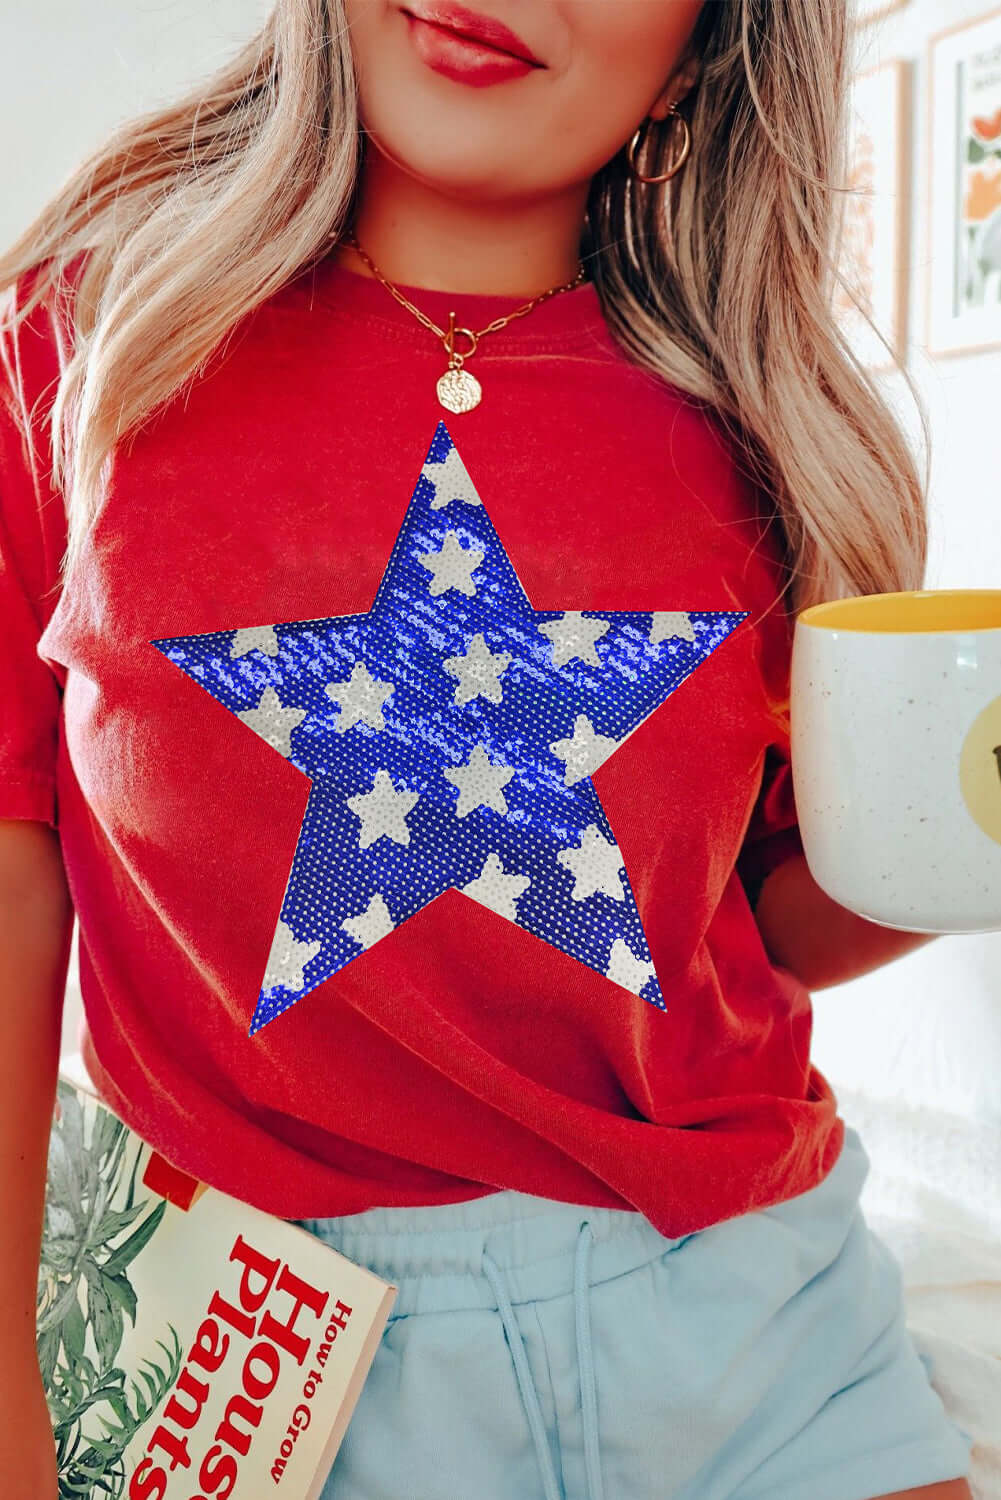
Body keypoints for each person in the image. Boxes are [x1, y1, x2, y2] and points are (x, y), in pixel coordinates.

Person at [0, 2, 976, 1497]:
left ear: (710, 43)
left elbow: (763, 920)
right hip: (256, 1363)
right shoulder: (84, 346)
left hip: (747, 1321)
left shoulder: (776, 434)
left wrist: (958, 838)